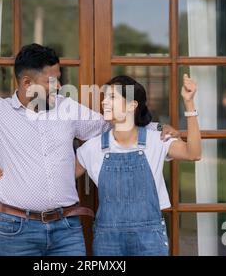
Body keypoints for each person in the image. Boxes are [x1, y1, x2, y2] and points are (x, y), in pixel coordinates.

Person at [0, 40, 179, 256]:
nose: (58, 86)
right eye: (51, 80)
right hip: (17, 229)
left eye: (58, 79)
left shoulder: (66, 108)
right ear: (27, 83)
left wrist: (157, 130)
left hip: (66, 230)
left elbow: (111, 125)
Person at [74, 75, 201, 256]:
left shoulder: (156, 140)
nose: (104, 103)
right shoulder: (92, 148)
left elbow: (193, 153)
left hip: (149, 239)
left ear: (132, 105)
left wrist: (189, 104)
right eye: (105, 98)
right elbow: (63, 181)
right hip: (108, 240)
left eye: (112, 97)